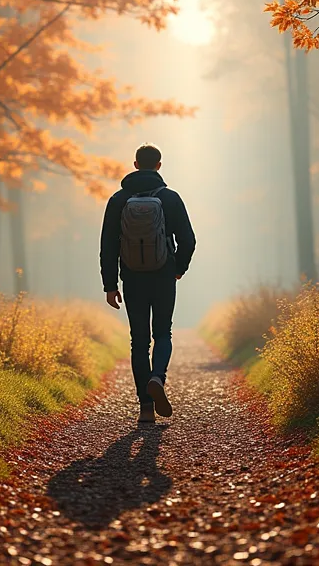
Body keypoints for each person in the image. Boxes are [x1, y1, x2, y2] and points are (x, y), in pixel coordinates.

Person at [100, 143, 196, 424]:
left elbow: (108, 245)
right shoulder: (170, 198)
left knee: (139, 341)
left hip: (132, 277)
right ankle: (158, 378)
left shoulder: (118, 200)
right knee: (163, 333)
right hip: (163, 274)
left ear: (134, 164)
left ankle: (145, 408)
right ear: (159, 165)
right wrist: (178, 268)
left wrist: (110, 284)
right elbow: (188, 240)